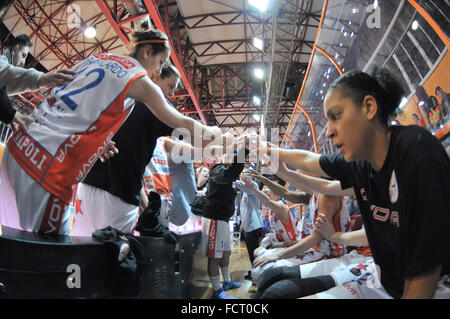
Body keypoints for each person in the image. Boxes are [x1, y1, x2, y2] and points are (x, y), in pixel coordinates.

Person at [251, 66, 450, 298]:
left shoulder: (416, 152)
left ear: (368, 107)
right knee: (271, 292)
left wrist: (333, 238)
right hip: (382, 280)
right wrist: (270, 154)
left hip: (434, 286)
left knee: (276, 291)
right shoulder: (360, 165)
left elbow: (424, 275)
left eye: (336, 116)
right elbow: (310, 161)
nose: (329, 132)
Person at [0, 29, 224, 235]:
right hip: (46, 167)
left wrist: (96, 139)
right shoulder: (140, 80)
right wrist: (216, 134)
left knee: (11, 250)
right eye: (160, 61)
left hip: (19, 147)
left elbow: (70, 98)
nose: (158, 68)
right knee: (50, 265)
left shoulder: (99, 57)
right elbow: (181, 122)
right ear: (147, 52)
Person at [73, 64, 184, 235]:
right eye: (170, 86)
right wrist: (222, 142)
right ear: (157, 76)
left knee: (81, 247)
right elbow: (188, 131)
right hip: (118, 195)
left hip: (88, 184)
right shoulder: (156, 108)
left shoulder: (116, 96)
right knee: (115, 255)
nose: (172, 93)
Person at [0, 34, 74, 130]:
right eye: (23, 55)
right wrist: (39, 78)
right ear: (16, 48)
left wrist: (9, 112)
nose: (23, 62)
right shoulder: (2, 60)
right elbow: (5, 73)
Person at [201, 147, 248, 299]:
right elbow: (232, 172)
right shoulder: (217, 170)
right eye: (231, 154)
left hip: (223, 220)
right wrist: (244, 151)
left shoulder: (229, 175)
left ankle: (227, 281)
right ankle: (216, 290)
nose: (233, 157)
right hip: (214, 218)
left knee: (226, 252)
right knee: (214, 257)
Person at [235, 172, 263, 281]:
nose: (243, 175)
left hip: (254, 226)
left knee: (255, 252)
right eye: (241, 174)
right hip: (247, 226)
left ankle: (258, 275)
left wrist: (236, 179)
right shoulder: (244, 191)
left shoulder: (253, 187)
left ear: (251, 175)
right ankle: (255, 272)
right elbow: (243, 208)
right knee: (251, 252)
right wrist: (242, 223)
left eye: (246, 173)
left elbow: (244, 187)